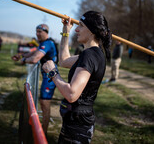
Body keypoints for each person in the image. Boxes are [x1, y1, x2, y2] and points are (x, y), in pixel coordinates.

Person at [42, 11, 112, 143]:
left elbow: (71, 94)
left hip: (78, 125)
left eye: (81, 25)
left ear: (91, 31)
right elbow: (63, 60)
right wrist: (65, 31)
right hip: (77, 121)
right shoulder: (94, 54)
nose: (77, 29)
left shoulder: (89, 56)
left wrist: (52, 73)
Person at [11, 24, 57, 135]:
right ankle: (42, 131)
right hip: (48, 76)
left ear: (46, 32)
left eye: (40, 31)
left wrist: (23, 61)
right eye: (36, 31)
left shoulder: (47, 43)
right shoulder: (43, 43)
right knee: (43, 103)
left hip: (51, 77)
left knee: (45, 104)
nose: (37, 34)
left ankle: (43, 134)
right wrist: (22, 56)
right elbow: (33, 53)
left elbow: (35, 58)